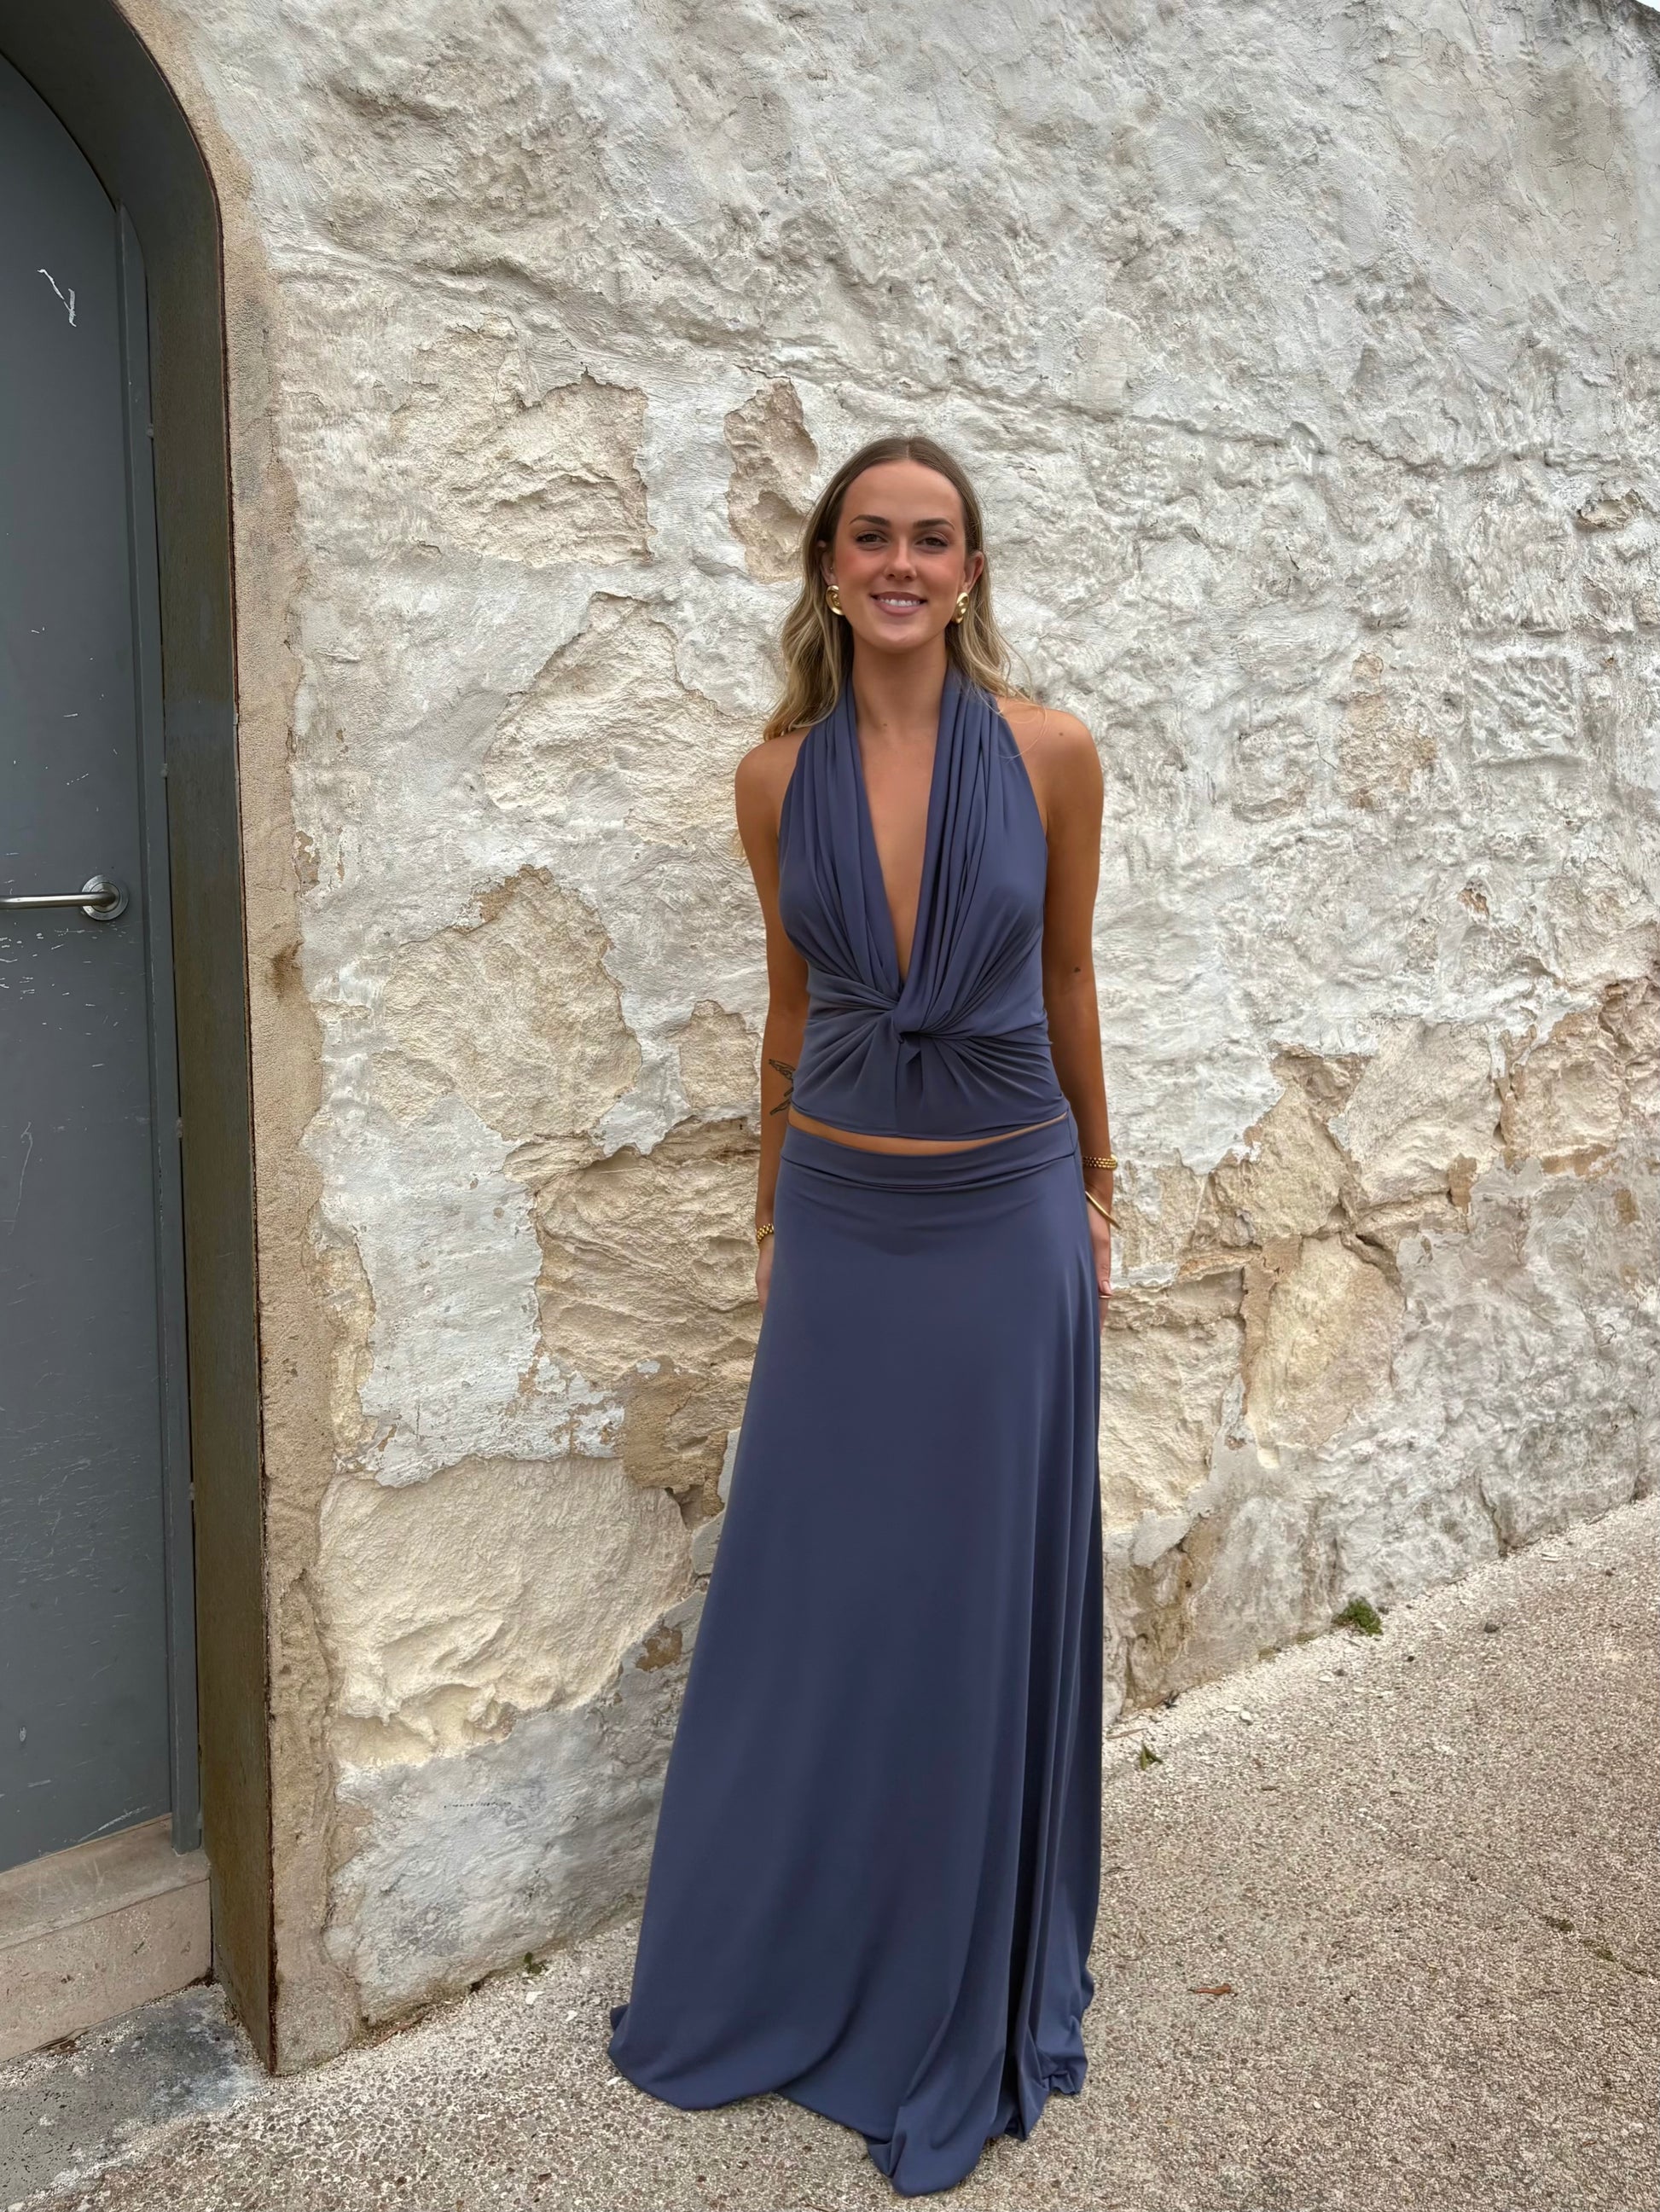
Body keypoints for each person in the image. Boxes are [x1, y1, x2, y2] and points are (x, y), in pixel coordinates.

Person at [607, 433, 1115, 2198]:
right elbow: (790, 1004)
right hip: (838, 1215)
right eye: (871, 535)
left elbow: (1067, 972)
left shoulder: (1051, 752)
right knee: (814, 1591)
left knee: (973, 1589)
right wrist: (767, 1208)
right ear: (828, 567)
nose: (901, 562)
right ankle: (792, 1947)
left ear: (968, 574)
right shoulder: (773, 779)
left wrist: (1099, 1185)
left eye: (933, 538)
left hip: (1004, 1210)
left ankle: (949, 1966)